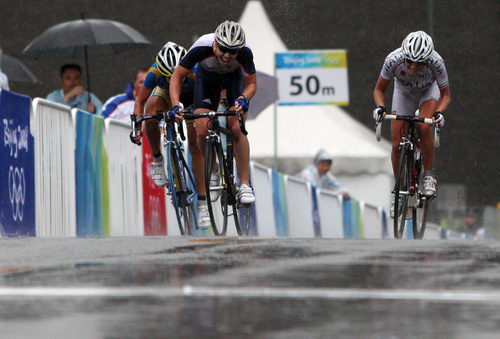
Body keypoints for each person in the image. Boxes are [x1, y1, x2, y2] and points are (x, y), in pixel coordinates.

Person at [168, 20, 257, 230]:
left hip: (234, 81)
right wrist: (175, 105)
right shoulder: (201, 48)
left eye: (233, 52)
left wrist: (244, 98)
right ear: (215, 43)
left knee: (236, 127)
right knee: (201, 126)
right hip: (206, 81)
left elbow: (252, 83)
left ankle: (244, 184)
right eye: (224, 49)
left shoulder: (245, 54)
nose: (227, 55)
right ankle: (214, 167)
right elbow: (176, 77)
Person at [372, 31, 450, 215]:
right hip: (403, 93)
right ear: (404, 55)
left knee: (424, 126)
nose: (413, 67)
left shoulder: (437, 63)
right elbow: (379, 90)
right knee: (396, 145)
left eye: (419, 63)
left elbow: (446, 95)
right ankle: (399, 189)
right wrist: (381, 108)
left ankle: (428, 177)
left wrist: (439, 112)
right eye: (409, 61)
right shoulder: (392, 59)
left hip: (428, 94)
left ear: (427, 59)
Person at [130, 42, 201, 194]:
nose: (173, 80)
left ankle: (203, 195)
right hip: (166, 93)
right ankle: (157, 159)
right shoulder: (154, 72)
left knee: (195, 142)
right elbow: (140, 101)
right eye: (167, 77)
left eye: (177, 76)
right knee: (150, 117)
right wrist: (136, 127)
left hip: (191, 96)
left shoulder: (195, 70)